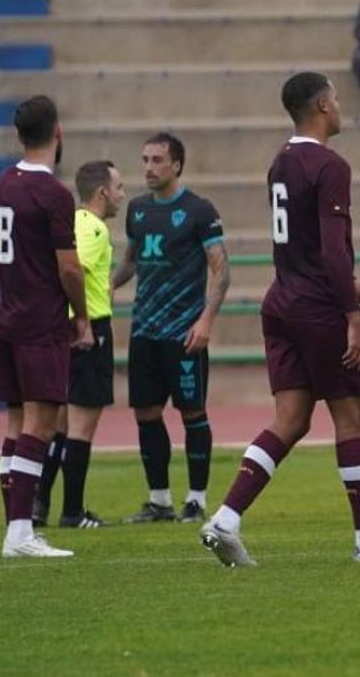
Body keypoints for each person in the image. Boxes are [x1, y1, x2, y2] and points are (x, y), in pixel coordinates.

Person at [199, 71, 360, 565]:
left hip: (282, 301)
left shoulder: (280, 162)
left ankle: (225, 520)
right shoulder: (329, 165)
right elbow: (331, 253)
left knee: (291, 419)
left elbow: (304, 250)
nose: (340, 107)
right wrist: (353, 316)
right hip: (319, 308)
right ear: (322, 105)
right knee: (352, 416)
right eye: (337, 99)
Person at [0, 95, 92, 558]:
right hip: (39, 319)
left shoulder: (1, 185)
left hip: (7, 316)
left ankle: (14, 527)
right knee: (42, 422)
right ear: (58, 133)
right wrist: (83, 316)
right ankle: (20, 532)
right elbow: (69, 269)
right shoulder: (52, 193)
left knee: (15, 422)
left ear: (18, 135)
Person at [115, 133, 229, 525]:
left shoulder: (199, 210)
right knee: (146, 413)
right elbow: (131, 261)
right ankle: (159, 501)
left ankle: (196, 499)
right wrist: (103, 286)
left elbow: (221, 268)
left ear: (177, 165)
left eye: (158, 160)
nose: (149, 167)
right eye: (145, 159)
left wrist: (205, 321)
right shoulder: (137, 209)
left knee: (192, 412)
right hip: (144, 330)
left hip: (184, 332)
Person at [32, 161, 127, 529]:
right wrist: (82, 322)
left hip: (64, 327)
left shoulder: (70, 221)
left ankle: (40, 504)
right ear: (102, 192)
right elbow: (74, 269)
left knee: (57, 426)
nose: (122, 194)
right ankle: (72, 512)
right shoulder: (94, 228)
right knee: (81, 427)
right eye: (118, 187)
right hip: (90, 329)